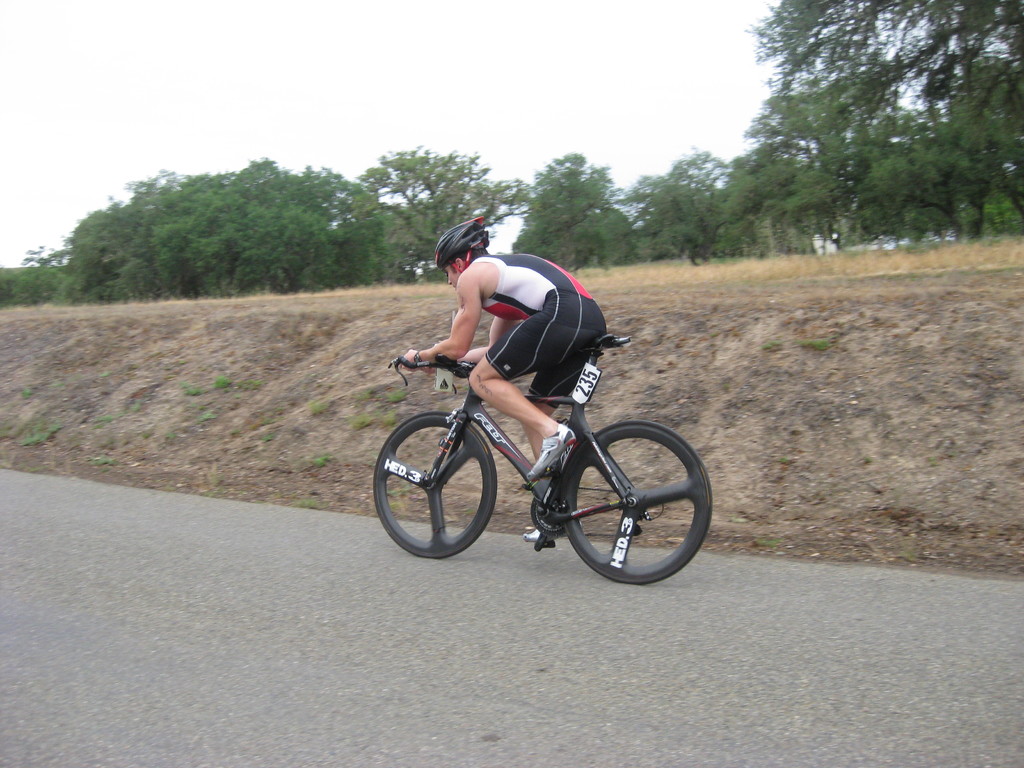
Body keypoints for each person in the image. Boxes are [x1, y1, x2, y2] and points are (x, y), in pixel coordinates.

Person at [403, 216, 607, 482]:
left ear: (459, 263)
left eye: (447, 273)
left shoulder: (471, 276)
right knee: (534, 413)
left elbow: (458, 345)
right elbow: (493, 351)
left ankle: (554, 433)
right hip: (586, 319)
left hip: (563, 314)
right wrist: (443, 361)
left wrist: (420, 356)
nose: (449, 282)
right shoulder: (505, 283)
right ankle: (555, 512)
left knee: (481, 380)